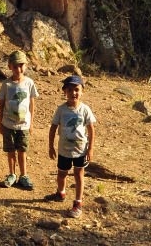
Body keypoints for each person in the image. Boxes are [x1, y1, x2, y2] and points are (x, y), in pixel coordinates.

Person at [46, 73, 96, 219]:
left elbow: (91, 129)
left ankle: (78, 203)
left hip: (81, 150)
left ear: (82, 91)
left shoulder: (85, 109)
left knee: (79, 175)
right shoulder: (61, 109)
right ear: (65, 92)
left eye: (77, 89)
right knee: (61, 174)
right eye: (70, 90)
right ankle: (61, 193)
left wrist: (91, 148)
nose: (73, 93)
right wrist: (50, 146)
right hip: (64, 150)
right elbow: (53, 127)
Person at [0, 48, 38, 189]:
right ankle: (12, 174)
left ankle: (24, 175)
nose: (18, 69)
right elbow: (1, 104)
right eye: (15, 66)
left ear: (25, 66)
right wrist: (0, 123)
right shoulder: (6, 84)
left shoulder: (29, 83)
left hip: (24, 125)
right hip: (8, 124)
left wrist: (31, 123)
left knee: (22, 150)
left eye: (21, 65)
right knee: (10, 150)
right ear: (10, 67)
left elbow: (32, 104)